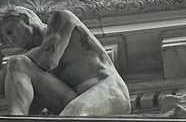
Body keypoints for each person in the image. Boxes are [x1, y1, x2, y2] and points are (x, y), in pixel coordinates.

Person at [0, 6, 130, 116]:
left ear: (24, 19)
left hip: (108, 91)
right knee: (17, 64)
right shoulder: (31, 61)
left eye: (9, 32)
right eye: (5, 39)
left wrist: (7, 70)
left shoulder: (61, 18)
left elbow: (49, 59)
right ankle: (16, 121)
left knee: (72, 115)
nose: (10, 41)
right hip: (72, 99)